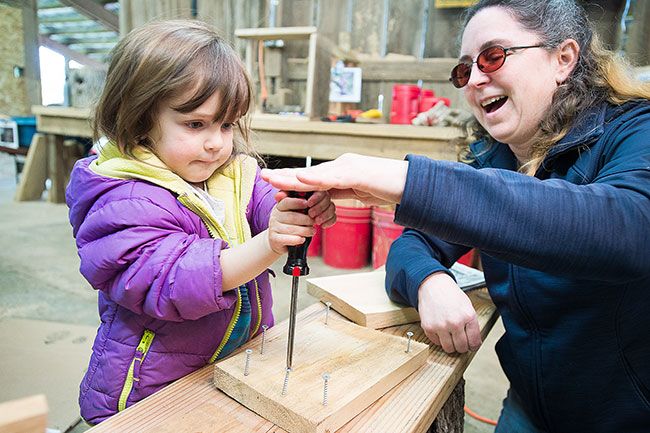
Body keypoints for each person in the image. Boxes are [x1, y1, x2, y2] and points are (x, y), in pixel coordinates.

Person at [262, 1, 650, 432]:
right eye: (465, 69)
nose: (476, 80)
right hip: (530, 405)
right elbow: (414, 243)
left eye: (493, 56)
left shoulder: (635, 131)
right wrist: (429, 282)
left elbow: (627, 232)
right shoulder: (495, 159)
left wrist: (408, 180)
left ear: (563, 58)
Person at [66, 20, 335, 425]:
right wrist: (270, 244)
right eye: (195, 124)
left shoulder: (223, 172)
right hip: (150, 394)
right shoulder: (123, 199)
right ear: (138, 119)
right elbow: (175, 281)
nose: (217, 142)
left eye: (226, 124)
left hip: (228, 366)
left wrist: (297, 207)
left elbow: (261, 206)